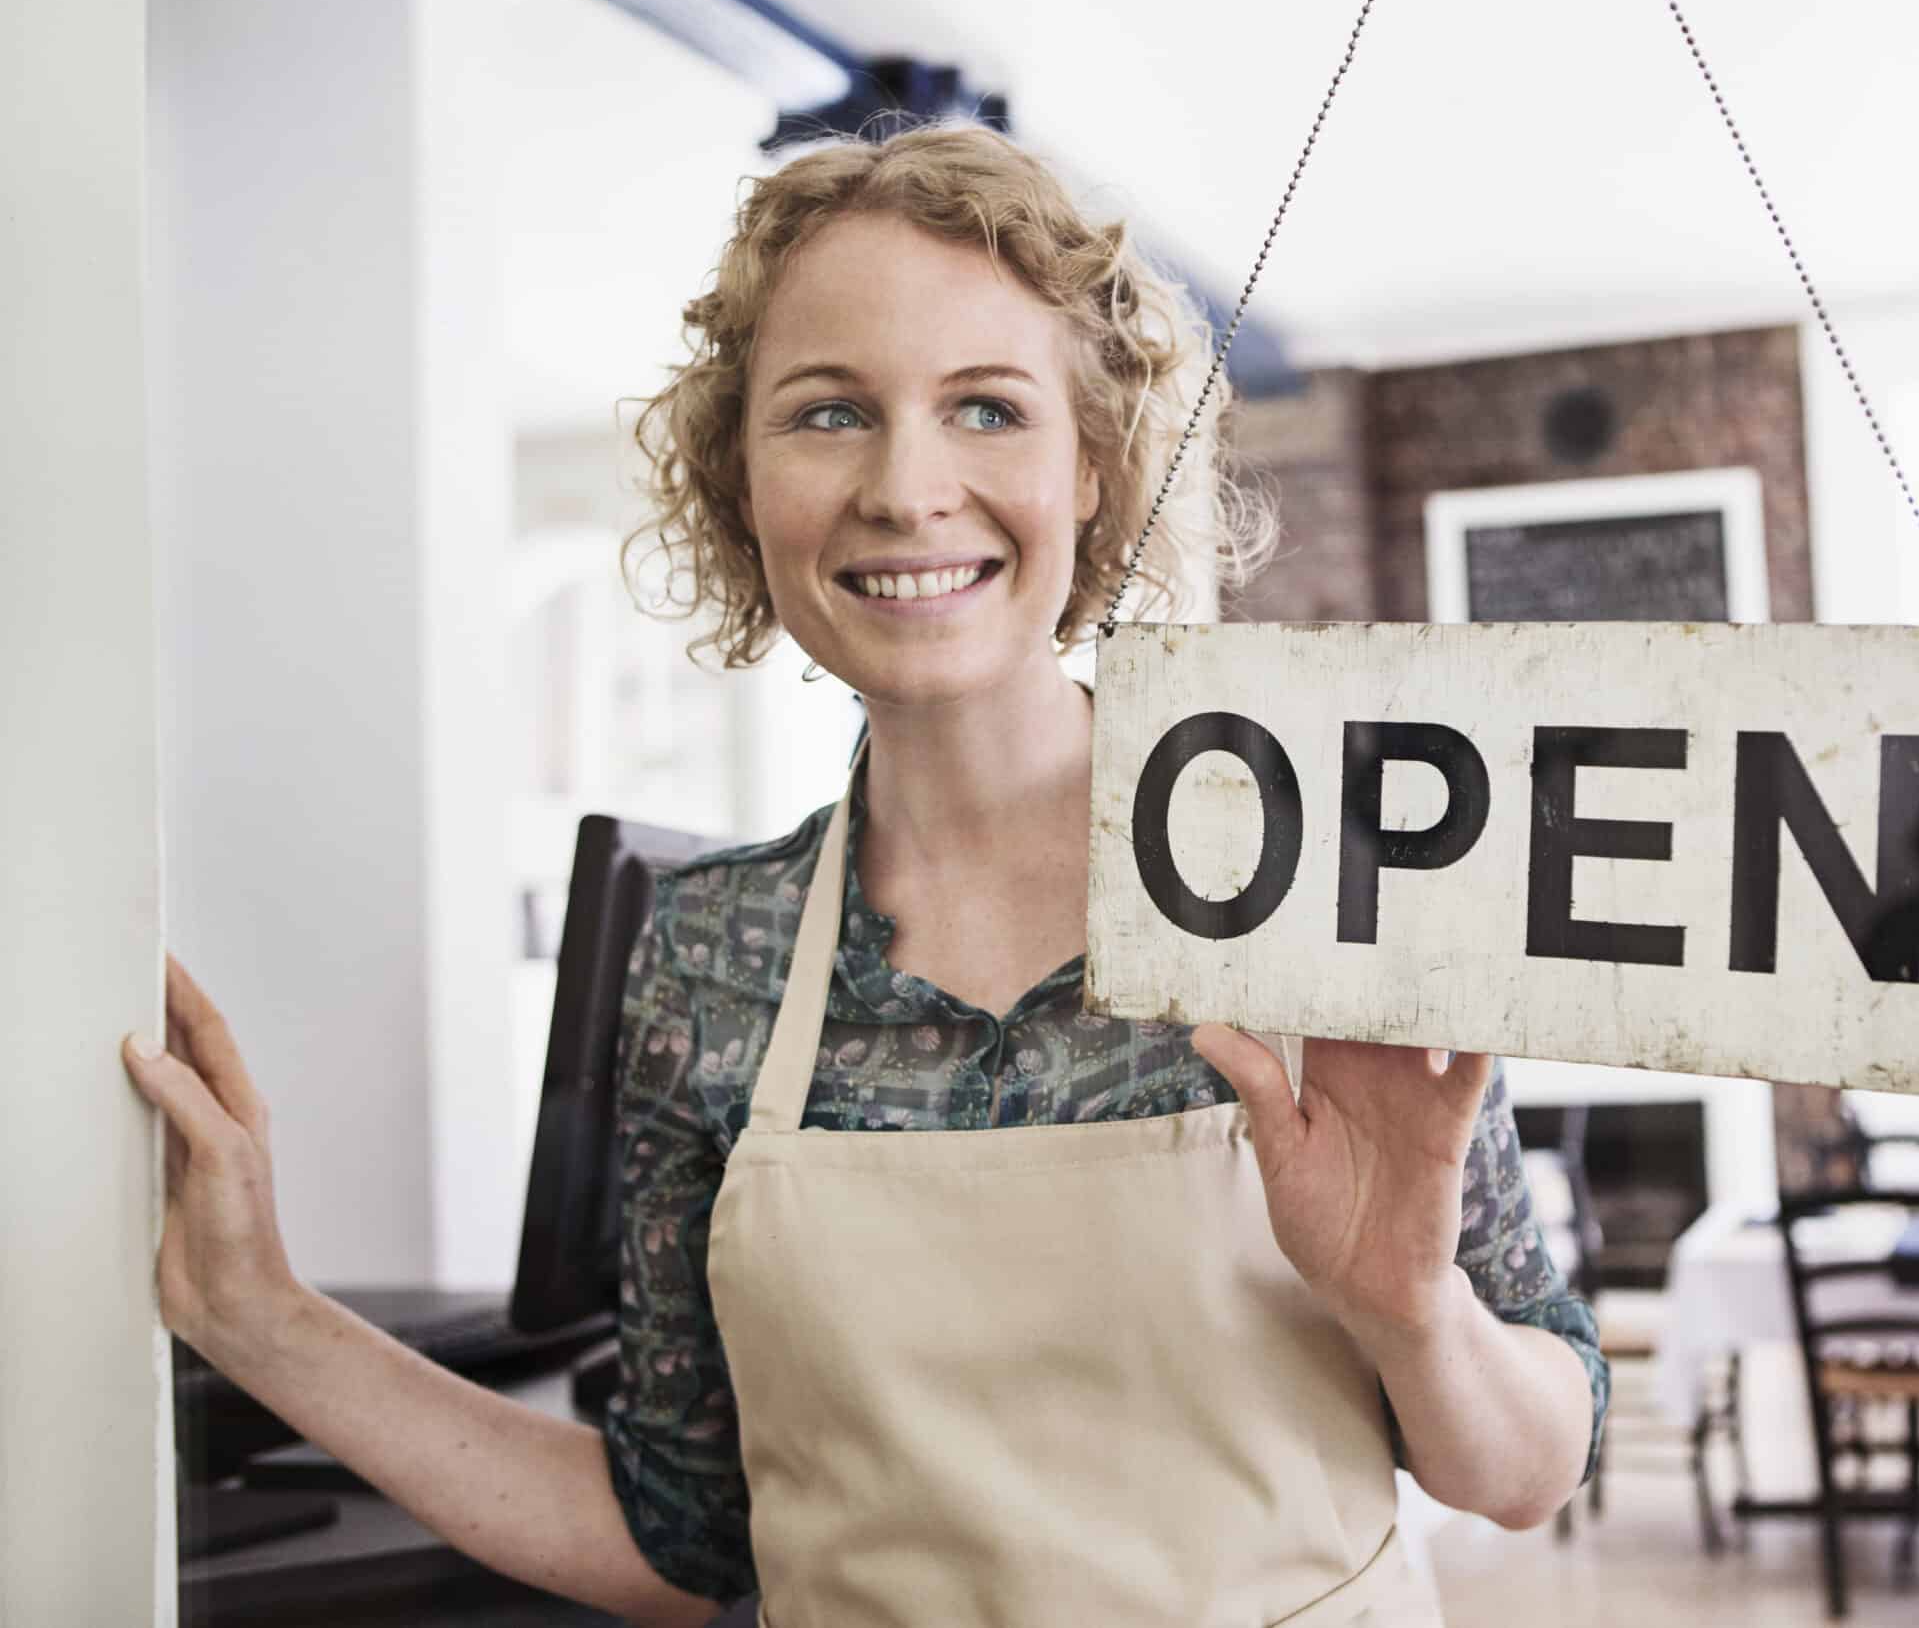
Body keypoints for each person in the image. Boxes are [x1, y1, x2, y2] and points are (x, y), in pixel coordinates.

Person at [122, 118, 1607, 1628]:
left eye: (986, 408)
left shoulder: (1326, 885)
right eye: (829, 413)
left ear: (1092, 469)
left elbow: (1528, 1465)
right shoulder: (710, 951)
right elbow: (685, 1541)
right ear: (742, 480)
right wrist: (262, 1318)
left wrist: (1411, 1314)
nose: (906, 488)